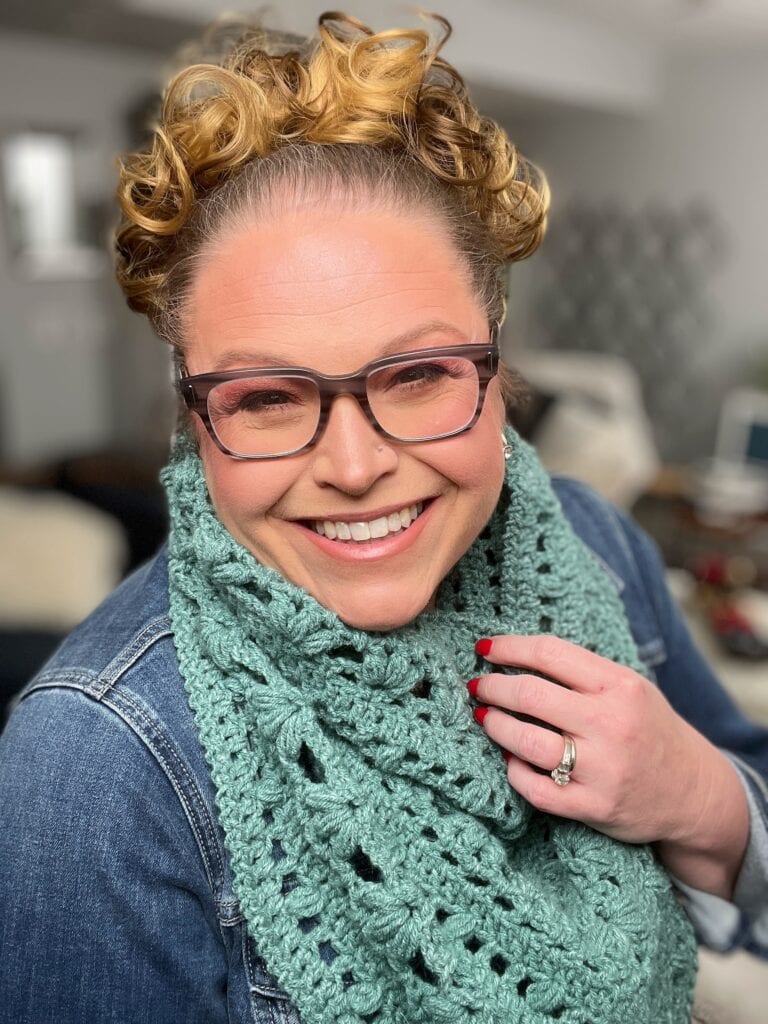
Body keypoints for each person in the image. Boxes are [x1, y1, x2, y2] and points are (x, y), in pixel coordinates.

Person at [1, 12, 766, 1024]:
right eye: (268, 398)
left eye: (415, 376)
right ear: (194, 411)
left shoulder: (594, 543)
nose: (356, 467)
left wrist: (701, 799)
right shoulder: (92, 763)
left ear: (497, 364)